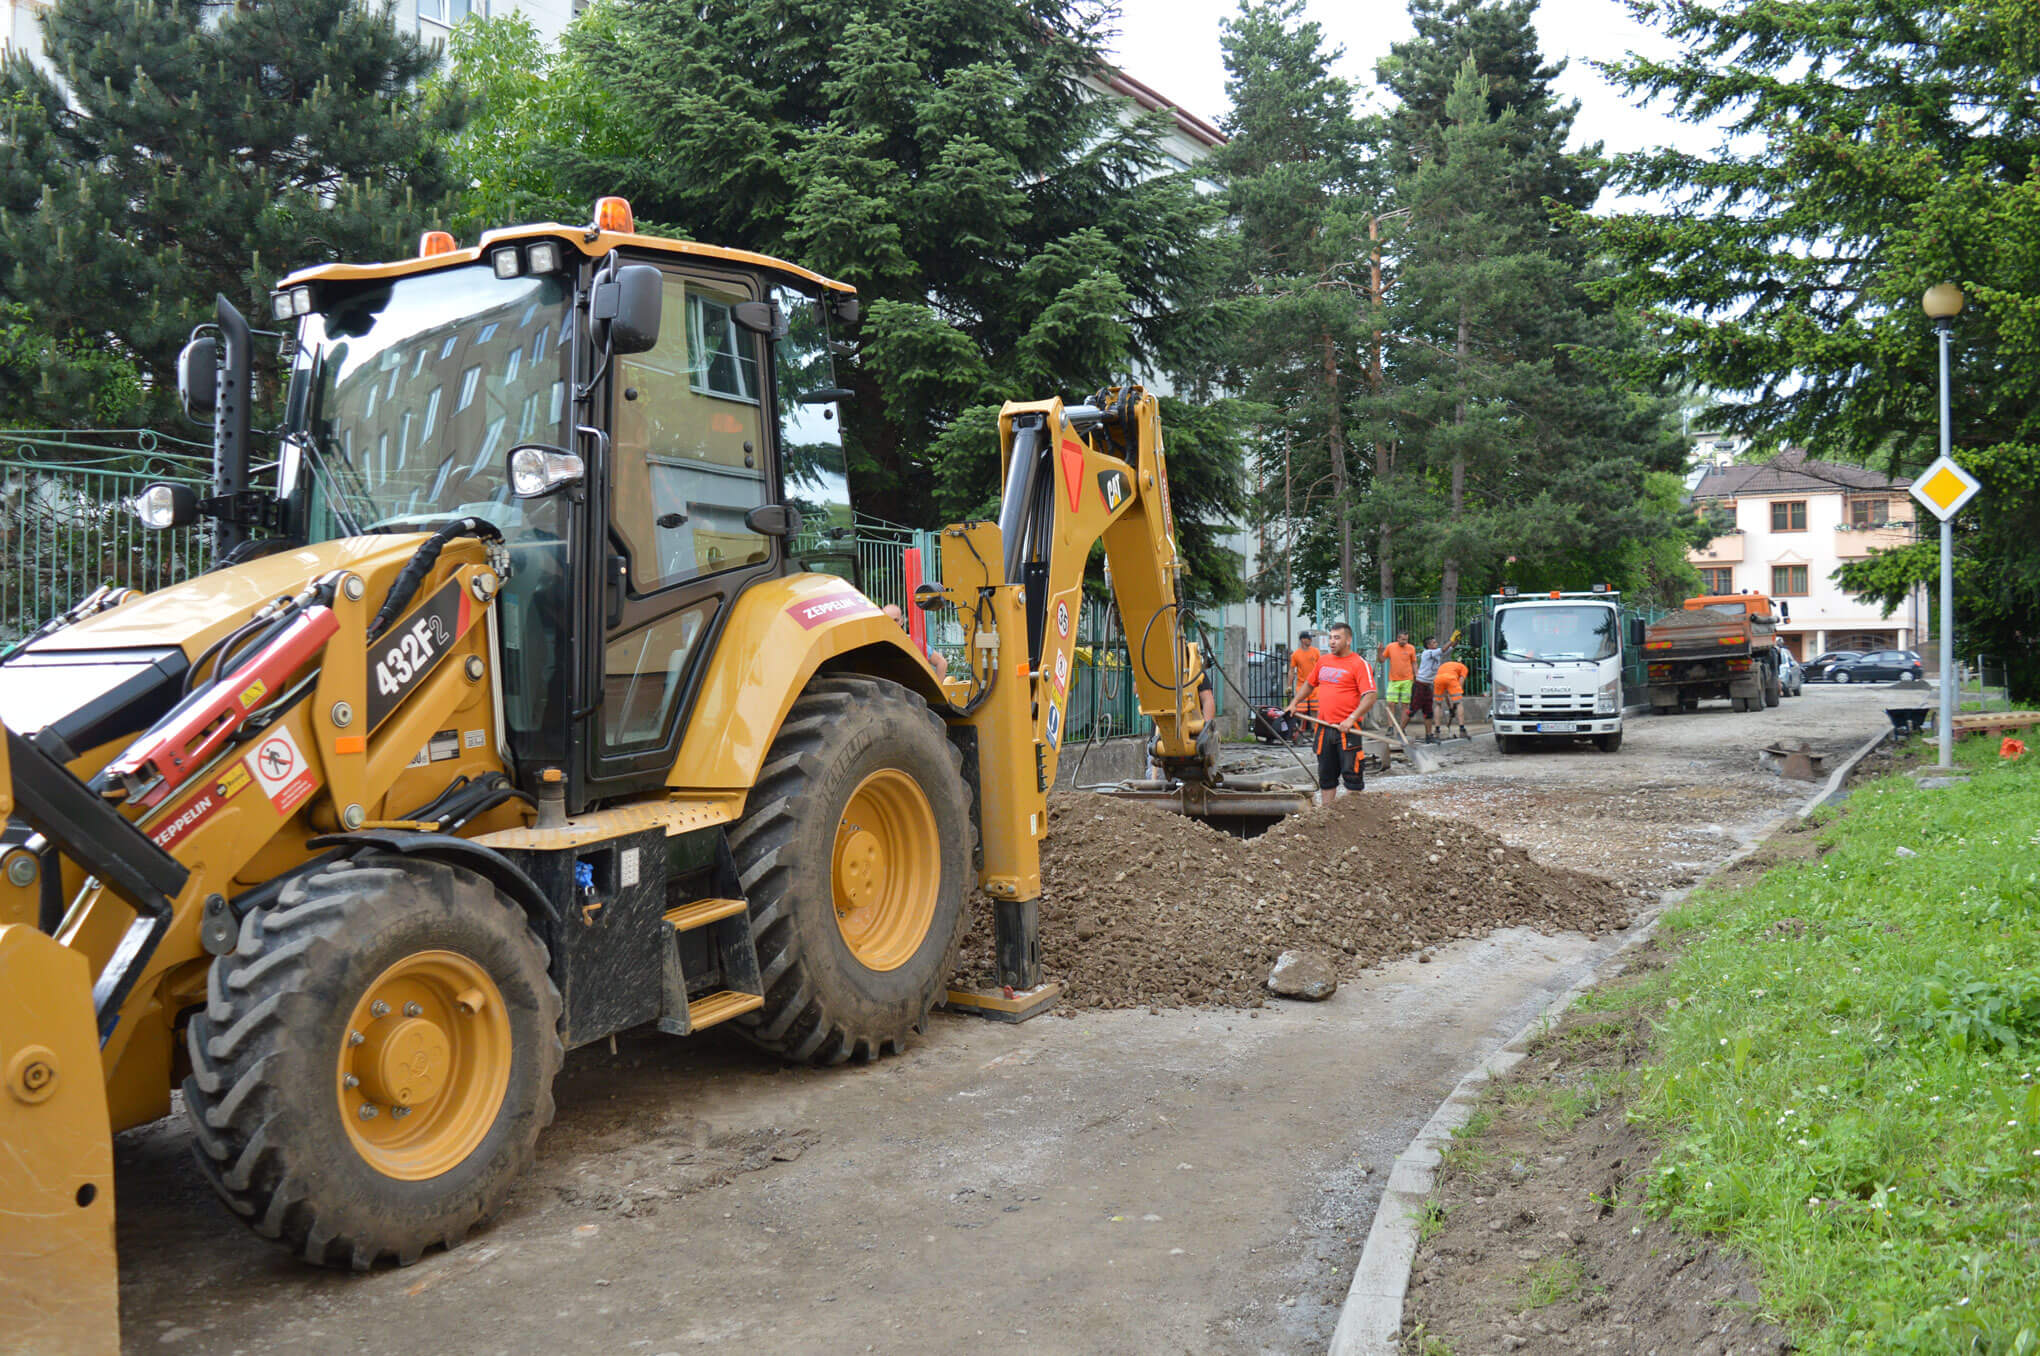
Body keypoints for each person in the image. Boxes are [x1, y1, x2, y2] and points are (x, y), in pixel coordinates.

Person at [1287, 621, 1377, 807]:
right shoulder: (1324, 661)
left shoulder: (1359, 664)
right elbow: (1310, 684)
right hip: (1323, 727)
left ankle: (1355, 816)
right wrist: (1294, 703)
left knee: (1352, 776)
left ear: (1348, 640)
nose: (1332, 642)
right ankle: (1326, 817)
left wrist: (1351, 718)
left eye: (1337, 638)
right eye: (1330, 637)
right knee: (1326, 776)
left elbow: (1370, 696)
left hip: (1348, 730)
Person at [882, 603, 948, 680]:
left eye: (895, 620)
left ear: (902, 621)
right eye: (888, 620)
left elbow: (941, 663)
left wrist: (937, 691)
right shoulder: (876, 644)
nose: (892, 624)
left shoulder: (914, 643)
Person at [1288, 630, 1321, 744]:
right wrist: (1288, 685)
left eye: (1311, 638)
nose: (1311, 640)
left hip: (1315, 685)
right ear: (1302, 640)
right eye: (1308, 638)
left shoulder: (1316, 652)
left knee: (1315, 709)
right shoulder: (1296, 654)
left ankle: (1315, 731)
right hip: (1302, 685)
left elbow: (1320, 667)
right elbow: (1292, 670)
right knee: (1301, 711)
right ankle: (1300, 731)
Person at [1380, 630, 1417, 727]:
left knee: (1405, 704)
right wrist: (1379, 651)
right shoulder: (1390, 647)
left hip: (1407, 680)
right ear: (1398, 638)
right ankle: (1390, 726)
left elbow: (1414, 662)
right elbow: (1381, 660)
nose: (1405, 641)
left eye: (1406, 640)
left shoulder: (1411, 648)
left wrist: (1416, 674)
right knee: (1391, 703)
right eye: (1403, 639)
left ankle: (1402, 727)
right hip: (1393, 680)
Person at [1412, 634, 1444, 743]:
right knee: (1412, 710)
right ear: (1429, 645)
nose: (1437, 644)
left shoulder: (1437, 653)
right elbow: (1444, 648)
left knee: (1428, 712)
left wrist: (1455, 641)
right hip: (1420, 685)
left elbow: (1448, 648)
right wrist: (1451, 640)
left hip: (1428, 686)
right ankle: (1400, 731)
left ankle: (1429, 735)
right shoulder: (1428, 653)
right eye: (1434, 642)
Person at [1433, 653, 1470, 739]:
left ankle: (1437, 731)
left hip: (1438, 679)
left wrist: (1451, 708)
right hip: (1450, 679)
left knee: (1438, 704)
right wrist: (1455, 704)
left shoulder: (1446, 666)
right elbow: (1460, 683)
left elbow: (1445, 693)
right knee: (1459, 703)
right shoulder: (1464, 668)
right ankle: (1462, 730)